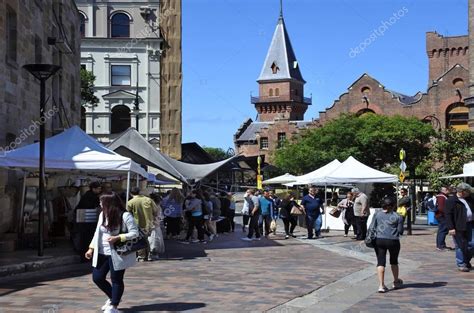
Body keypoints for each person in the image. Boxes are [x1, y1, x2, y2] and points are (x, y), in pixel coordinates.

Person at [85, 192, 139, 313]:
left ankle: (114, 305)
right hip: (101, 252)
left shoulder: (125, 215)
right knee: (97, 278)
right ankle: (113, 298)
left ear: (109, 203)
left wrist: (119, 237)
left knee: (116, 279)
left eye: (101, 202)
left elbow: (135, 232)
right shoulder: (102, 214)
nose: (100, 204)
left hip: (118, 253)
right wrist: (91, 248)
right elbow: (97, 233)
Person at [368, 196, 404, 293]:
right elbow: (400, 231)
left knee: (380, 262)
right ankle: (396, 281)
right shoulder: (398, 216)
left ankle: (381, 285)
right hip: (393, 240)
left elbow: (372, 227)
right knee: (394, 261)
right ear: (393, 206)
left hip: (379, 240)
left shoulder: (377, 214)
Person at [445, 183, 474, 272]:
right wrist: (451, 228)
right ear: (461, 192)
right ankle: (461, 263)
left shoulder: (469, 199)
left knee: (472, 244)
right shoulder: (452, 200)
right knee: (460, 245)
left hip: (470, 224)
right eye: (467, 191)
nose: (469, 193)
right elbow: (448, 215)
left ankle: (466, 260)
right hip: (458, 226)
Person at [74, 181, 102, 258]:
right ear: (93, 189)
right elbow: (89, 207)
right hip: (84, 220)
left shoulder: (91, 195)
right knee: (85, 238)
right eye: (98, 189)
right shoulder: (89, 196)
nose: (99, 190)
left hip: (86, 220)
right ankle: (84, 254)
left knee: (85, 237)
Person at [126, 187, 154, 261]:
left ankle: (142, 256)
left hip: (137, 223)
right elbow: (156, 210)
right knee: (146, 239)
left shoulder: (130, 202)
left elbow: (127, 213)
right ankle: (148, 255)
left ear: (131, 193)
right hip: (149, 223)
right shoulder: (148, 200)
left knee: (139, 240)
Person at [435, 186, 451, 251]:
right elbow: (441, 208)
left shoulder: (439, 196)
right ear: (445, 190)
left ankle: (440, 245)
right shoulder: (442, 197)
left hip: (440, 215)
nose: (449, 191)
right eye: (448, 190)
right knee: (443, 230)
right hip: (442, 216)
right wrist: (446, 214)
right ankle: (441, 246)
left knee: (441, 230)